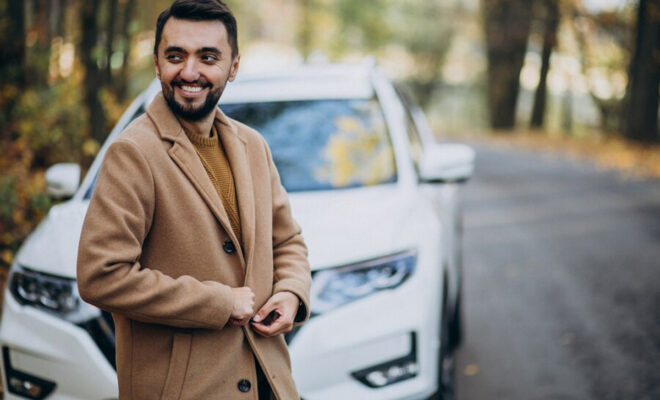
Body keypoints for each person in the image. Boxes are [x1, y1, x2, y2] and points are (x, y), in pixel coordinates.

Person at [76, 1, 311, 399]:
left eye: (207, 57)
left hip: (270, 383)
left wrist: (291, 292)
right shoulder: (133, 153)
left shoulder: (253, 145)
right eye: (175, 56)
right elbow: (102, 275)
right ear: (157, 63)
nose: (189, 72)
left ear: (233, 66)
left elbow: (286, 242)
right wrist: (218, 302)